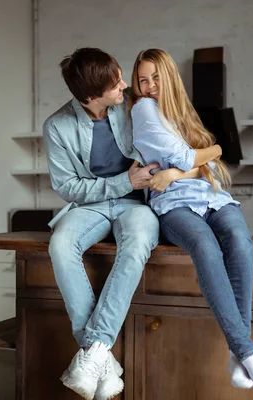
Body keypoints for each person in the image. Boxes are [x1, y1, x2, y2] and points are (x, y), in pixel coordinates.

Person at [129, 48, 253, 400]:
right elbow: (198, 156)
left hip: (211, 197)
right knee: (204, 246)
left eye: (156, 78)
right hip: (172, 206)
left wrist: (179, 169)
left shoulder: (185, 115)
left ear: (169, 78)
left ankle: (236, 353)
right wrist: (210, 151)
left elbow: (208, 168)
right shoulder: (143, 109)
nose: (150, 86)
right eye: (143, 80)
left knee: (241, 241)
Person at [43, 47, 198, 400]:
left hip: (135, 204)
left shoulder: (134, 105)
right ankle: (101, 354)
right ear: (91, 97)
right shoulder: (56, 127)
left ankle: (91, 355)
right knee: (60, 244)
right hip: (91, 204)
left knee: (140, 240)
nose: (126, 86)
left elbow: (166, 140)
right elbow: (69, 187)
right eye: (116, 85)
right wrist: (123, 182)